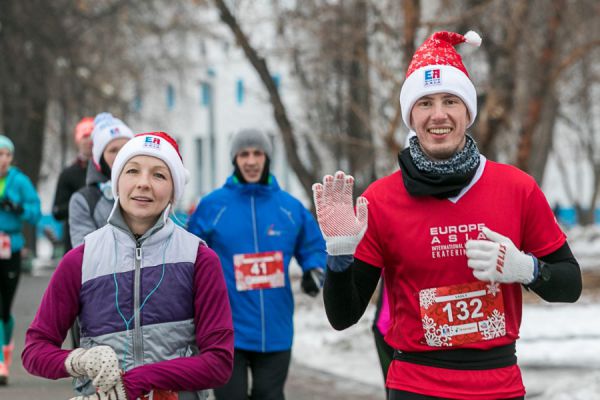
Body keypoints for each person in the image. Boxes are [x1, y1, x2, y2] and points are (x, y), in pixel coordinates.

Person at [314, 31, 582, 400]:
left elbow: (570, 284)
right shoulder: (380, 199)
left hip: (498, 385)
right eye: (425, 103)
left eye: (450, 101)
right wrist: (340, 257)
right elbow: (343, 317)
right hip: (416, 385)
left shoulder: (516, 188)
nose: (438, 115)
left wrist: (526, 269)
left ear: (467, 112)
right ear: (411, 115)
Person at [22, 132, 234, 400]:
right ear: (117, 182)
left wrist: (141, 380)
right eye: (132, 171)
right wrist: (81, 360)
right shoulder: (80, 260)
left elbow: (219, 363)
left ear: (173, 191)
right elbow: (35, 351)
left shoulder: (200, 259)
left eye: (159, 175)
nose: (143, 183)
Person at [187, 128, 326, 400]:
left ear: (267, 157)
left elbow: (313, 246)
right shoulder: (212, 206)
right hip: (226, 331)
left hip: (275, 329)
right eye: (244, 154)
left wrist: (314, 271)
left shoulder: (289, 207)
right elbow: (189, 254)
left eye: (257, 153)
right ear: (234, 159)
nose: (251, 161)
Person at [0, 134, 41, 385]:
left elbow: (35, 213)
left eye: (7, 155)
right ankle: (0, 363)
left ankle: (6, 352)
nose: (3, 160)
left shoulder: (20, 181)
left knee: (5, 307)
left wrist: (18, 209)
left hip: (10, 247)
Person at [69, 112, 133, 248]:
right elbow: (85, 253)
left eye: (125, 148)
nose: (121, 155)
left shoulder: (146, 191)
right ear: (100, 159)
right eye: (113, 150)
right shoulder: (83, 200)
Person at [52, 117, 94, 254]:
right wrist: (81, 203)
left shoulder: (110, 171)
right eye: (85, 136)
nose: (89, 141)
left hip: (104, 241)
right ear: (78, 141)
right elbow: (57, 212)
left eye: (92, 136)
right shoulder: (68, 174)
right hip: (74, 241)